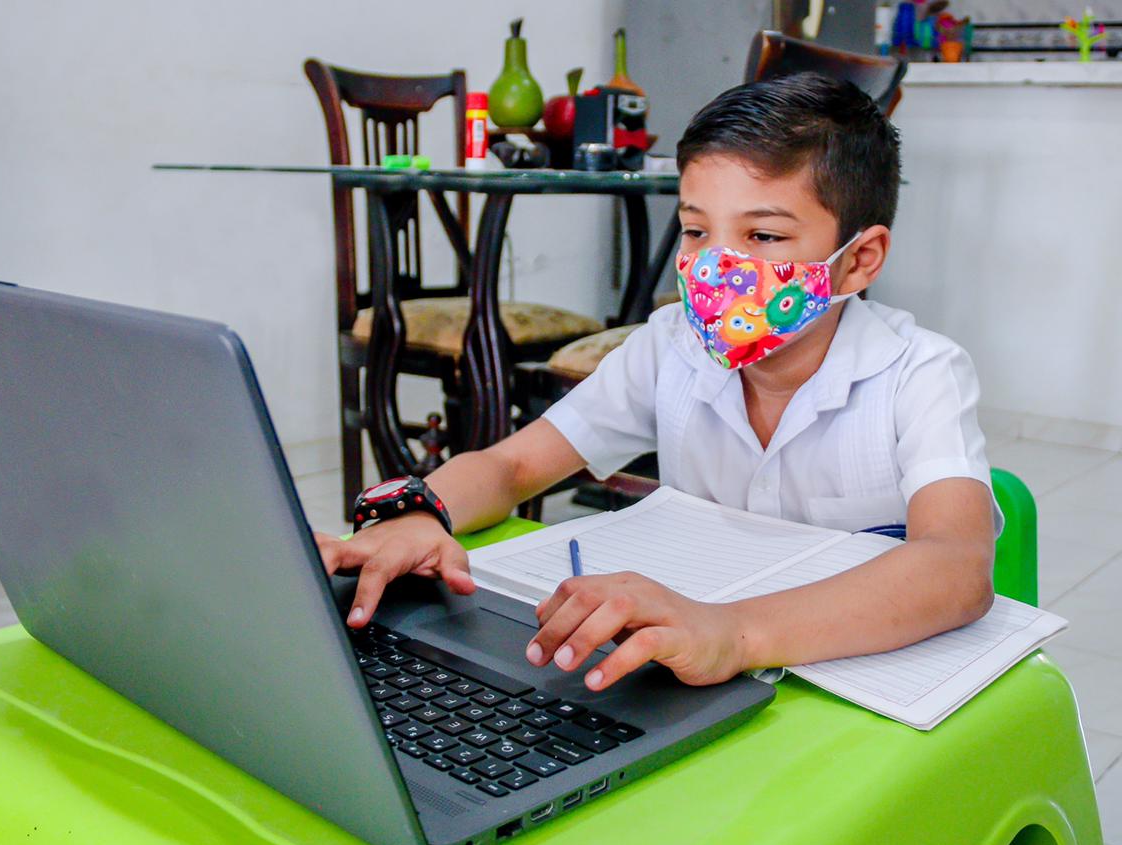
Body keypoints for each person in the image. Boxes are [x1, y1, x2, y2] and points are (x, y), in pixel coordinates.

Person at [316, 72, 999, 693]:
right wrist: (415, 512)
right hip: (687, 683)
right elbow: (515, 463)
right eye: (697, 230)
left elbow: (955, 566)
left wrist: (733, 634)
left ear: (859, 261)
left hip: (851, 679)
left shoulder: (921, 373)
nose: (716, 266)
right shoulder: (670, 348)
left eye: (762, 237)